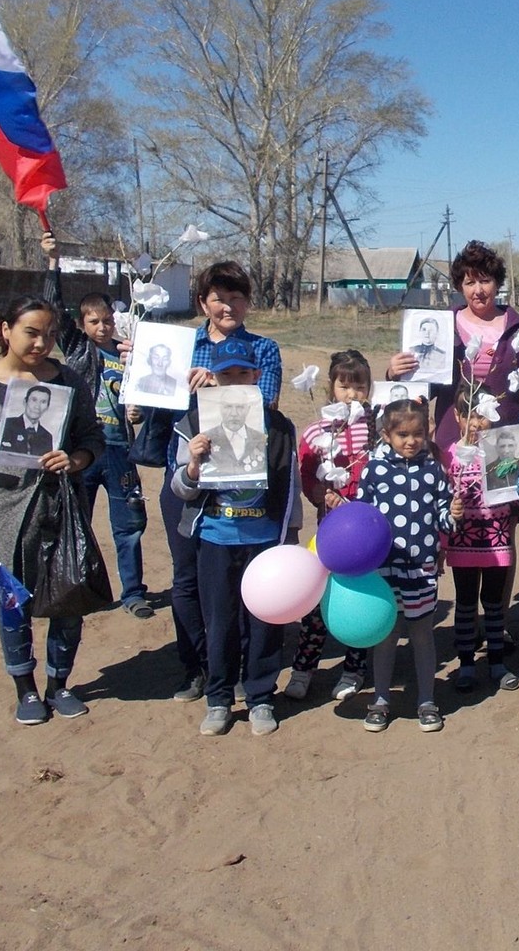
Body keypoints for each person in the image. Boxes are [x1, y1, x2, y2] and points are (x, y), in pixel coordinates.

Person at [0, 296, 105, 726]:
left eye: (50, 333)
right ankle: (26, 690)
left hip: (62, 511)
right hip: (5, 516)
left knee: (68, 599)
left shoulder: (69, 381)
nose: (42, 343)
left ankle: (59, 685)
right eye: (31, 332)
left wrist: (75, 461)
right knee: (13, 604)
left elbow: (93, 439)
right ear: (5, 330)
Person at [157, 260, 284, 704]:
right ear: (202, 302)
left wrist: (218, 391)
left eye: (236, 297)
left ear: (248, 302)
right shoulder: (178, 344)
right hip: (189, 470)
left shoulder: (262, 349)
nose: (227, 306)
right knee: (188, 579)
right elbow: (159, 398)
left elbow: (264, 401)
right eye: (218, 297)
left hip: (241, 479)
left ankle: (245, 678)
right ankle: (199, 670)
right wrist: (139, 378)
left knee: (241, 584)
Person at [169, 339, 302, 736]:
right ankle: (219, 698)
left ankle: (261, 696)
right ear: (214, 377)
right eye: (226, 374)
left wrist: (288, 535)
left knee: (264, 621)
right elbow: (180, 488)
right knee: (221, 622)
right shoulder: (195, 422)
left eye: (243, 373)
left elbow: (290, 484)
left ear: (257, 377)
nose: (235, 381)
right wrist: (193, 464)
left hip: (264, 540)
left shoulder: (278, 427)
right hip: (216, 536)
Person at [42, 230, 151, 618]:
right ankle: (78, 586)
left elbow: (150, 393)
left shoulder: (129, 352)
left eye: (107, 320)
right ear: (82, 324)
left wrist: (140, 413)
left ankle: (134, 592)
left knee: (129, 523)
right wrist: (52, 263)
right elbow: (52, 307)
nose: (102, 327)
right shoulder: (75, 347)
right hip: (82, 451)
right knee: (78, 523)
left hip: (120, 449)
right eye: (94, 321)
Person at [358, 399, 458, 733]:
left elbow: (444, 518)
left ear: (427, 432)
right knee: (386, 635)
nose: (411, 441)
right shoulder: (374, 469)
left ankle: (427, 700)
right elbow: (362, 516)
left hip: (422, 568)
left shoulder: (434, 469)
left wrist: (452, 515)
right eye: (402, 434)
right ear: (386, 435)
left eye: (417, 433)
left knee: (421, 634)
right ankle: (381, 699)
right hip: (384, 568)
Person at [385, 240, 519, 457]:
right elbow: (422, 390)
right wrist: (396, 373)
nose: (478, 290)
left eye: (485, 281)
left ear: (497, 283)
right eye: (470, 283)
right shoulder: (444, 327)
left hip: (505, 440)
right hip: (455, 439)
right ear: (459, 286)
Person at [288, 349, 376, 701]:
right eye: (344, 386)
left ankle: (355, 669)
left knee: (360, 601)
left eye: (360, 387)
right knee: (317, 603)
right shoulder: (316, 430)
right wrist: (322, 494)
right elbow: (306, 475)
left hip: (367, 531)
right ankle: (302, 668)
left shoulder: (377, 429)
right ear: (331, 387)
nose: (352, 394)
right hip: (329, 531)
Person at [446, 390, 519, 693]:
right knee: (465, 604)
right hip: (463, 541)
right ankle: (466, 663)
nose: (476, 423)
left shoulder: (502, 448)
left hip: (497, 538)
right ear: (457, 417)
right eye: (470, 416)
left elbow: (514, 493)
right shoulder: (449, 454)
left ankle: (497, 662)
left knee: (493, 603)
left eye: (482, 415)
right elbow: (442, 497)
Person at [201, 391, 267, 479]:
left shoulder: (260, 438)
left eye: (240, 407)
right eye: (228, 406)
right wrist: (193, 464)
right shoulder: (205, 438)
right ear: (220, 408)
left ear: (248, 409)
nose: (234, 413)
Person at [0, 385, 55, 457]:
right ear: (25, 402)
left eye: (43, 402)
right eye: (34, 400)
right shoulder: (7, 424)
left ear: (47, 407)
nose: (37, 406)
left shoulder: (47, 436)